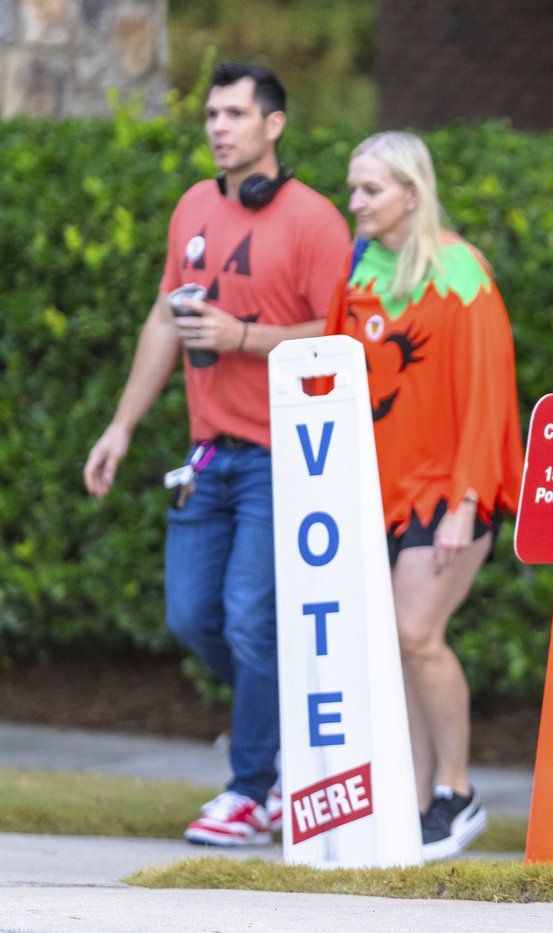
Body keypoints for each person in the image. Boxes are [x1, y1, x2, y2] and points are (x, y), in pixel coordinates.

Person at [82, 62, 351, 846]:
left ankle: (250, 788)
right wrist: (122, 426)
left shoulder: (314, 221)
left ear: (275, 125)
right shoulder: (194, 207)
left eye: (235, 113)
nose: (218, 127)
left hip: (282, 457)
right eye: (210, 113)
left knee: (246, 619)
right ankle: (284, 740)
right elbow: (165, 320)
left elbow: (341, 335)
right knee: (191, 616)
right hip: (206, 458)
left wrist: (246, 338)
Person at [322, 131, 524, 862]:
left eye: (370, 189)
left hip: (450, 489)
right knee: (393, 647)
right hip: (373, 491)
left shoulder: (461, 272)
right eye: (353, 188)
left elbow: (486, 395)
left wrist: (468, 502)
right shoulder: (359, 271)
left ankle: (459, 791)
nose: (356, 203)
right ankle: (412, 803)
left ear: (413, 191)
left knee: (416, 635)